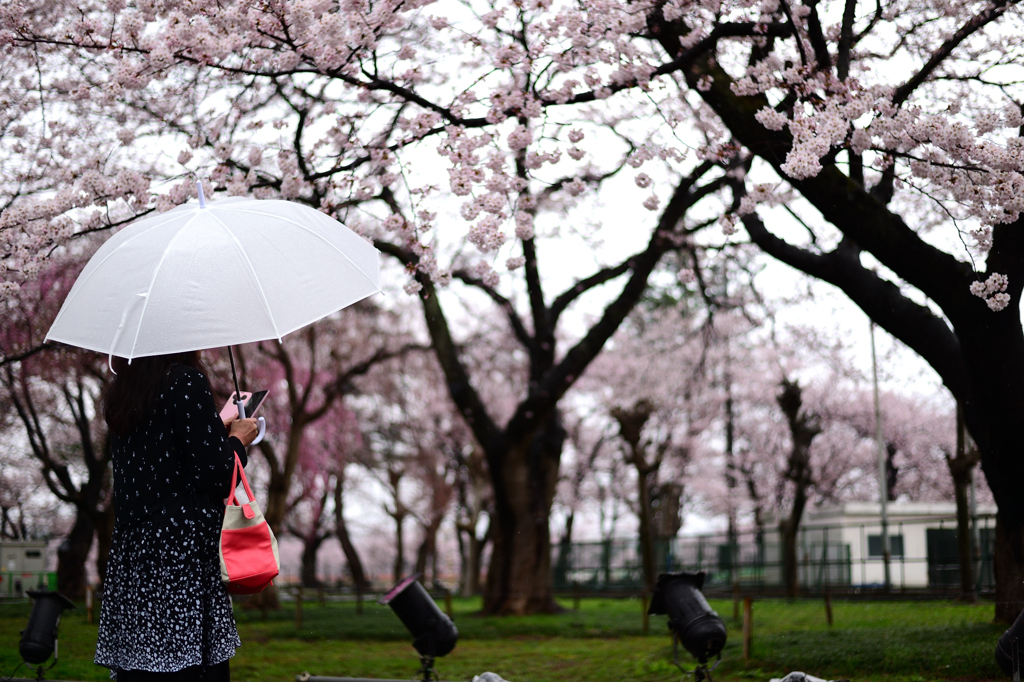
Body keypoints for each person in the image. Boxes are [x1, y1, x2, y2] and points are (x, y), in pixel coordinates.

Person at [95, 351, 259, 682]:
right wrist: (238, 442)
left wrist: (214, 432)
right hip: (181, 557)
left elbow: (167, 453)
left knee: (143, 666)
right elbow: (217, 476)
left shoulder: (124, 389)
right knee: (190, 666)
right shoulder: (186, 381)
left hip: (135, 556)